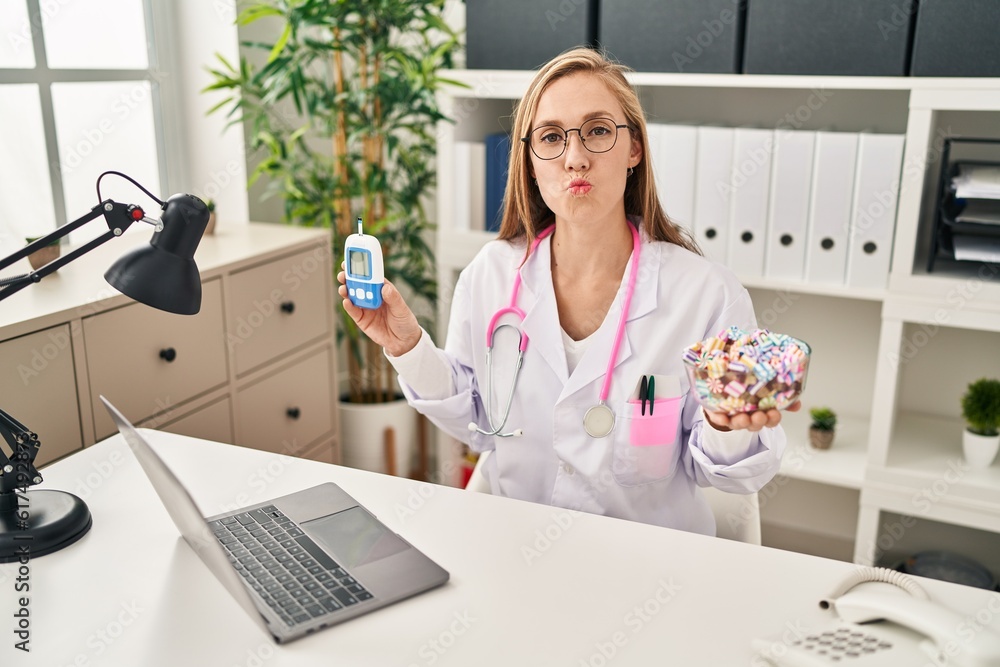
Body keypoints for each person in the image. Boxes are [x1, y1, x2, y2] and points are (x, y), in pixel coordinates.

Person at [338, 47, 800, 536]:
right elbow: (475, 421)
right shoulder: (491, 275)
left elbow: (722, 473)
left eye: (598, 131)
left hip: (650, 565)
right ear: (531, 162)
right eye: (552, 137)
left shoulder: (707, 295)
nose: (575, 158)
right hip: (516, 545)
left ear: (634, 149)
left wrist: (726, 422)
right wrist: (406, 346)